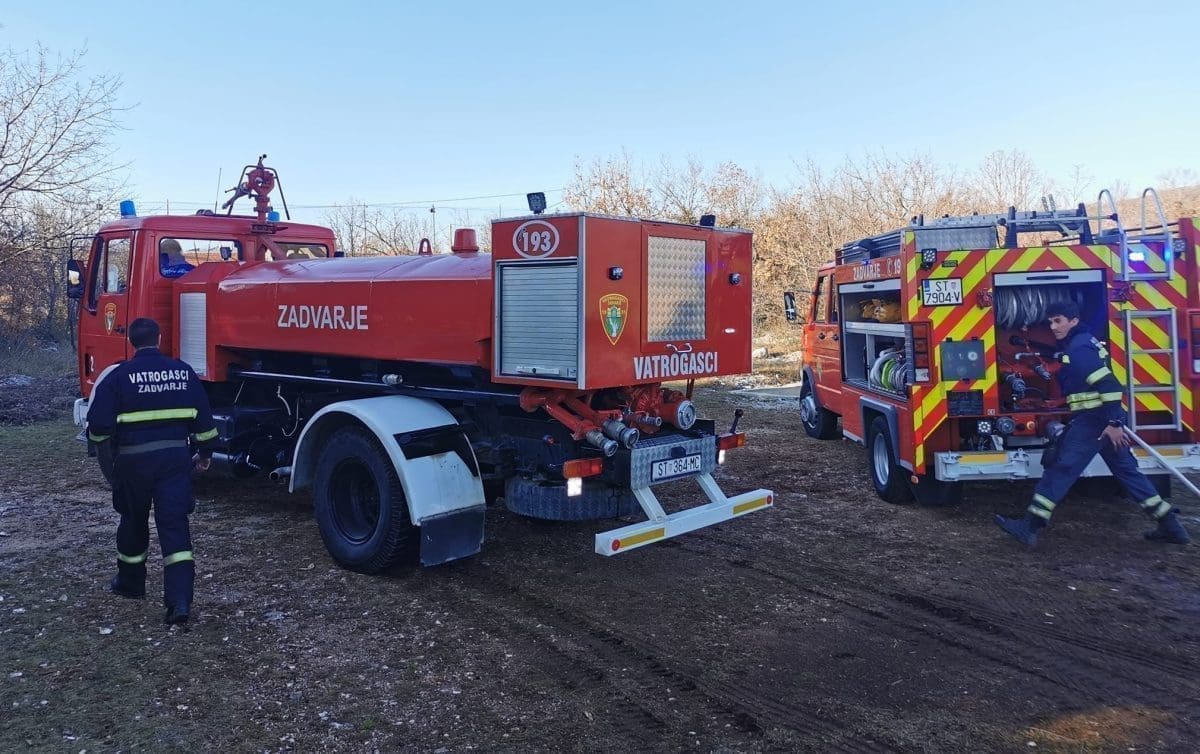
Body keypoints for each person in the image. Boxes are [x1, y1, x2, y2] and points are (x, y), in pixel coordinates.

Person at [995, 300, 1190, 547]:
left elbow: (1109, 386)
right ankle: (1170, 525)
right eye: (1051, 322)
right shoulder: (1084, 342)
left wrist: (1114, 422)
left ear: (1073, 321)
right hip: (1103, 421)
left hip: (1095, 422)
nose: (1053, 327)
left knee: (1061, 469)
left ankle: (1030, 526)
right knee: (1128, 473)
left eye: (1058, 321)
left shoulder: (1078, 349)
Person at [86, 317, 218, 624]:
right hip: (174, 461)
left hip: (133, 462)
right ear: (158, 339)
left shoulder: (118, 377)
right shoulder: (182, 372)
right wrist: (205, 454)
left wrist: (105, 456)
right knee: (174, 526)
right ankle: (180, 602)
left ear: (132, 341)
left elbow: (99, 428)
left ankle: (131, 584)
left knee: (133, 520)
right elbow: (205, 422)